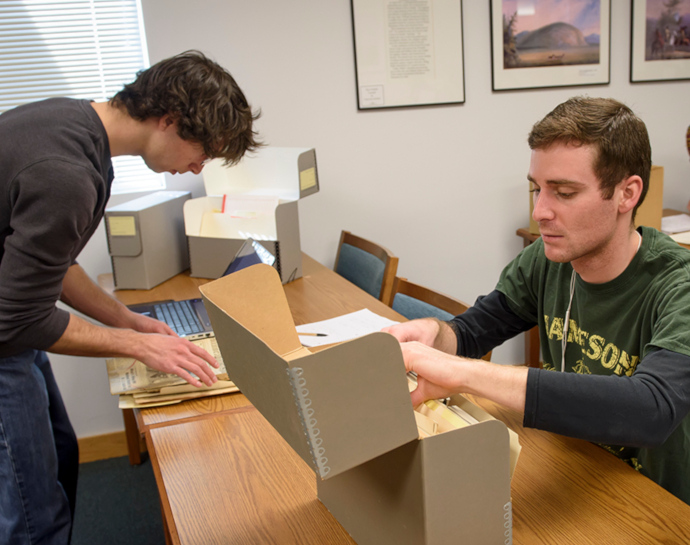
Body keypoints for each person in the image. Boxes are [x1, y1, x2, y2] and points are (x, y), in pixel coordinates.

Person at [0, 50, 260, 544]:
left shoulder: (75, 128)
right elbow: (19, 320)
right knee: (34, 510)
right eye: (202, 151)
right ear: (170, 120)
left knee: (61, 450)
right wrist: (137, 346)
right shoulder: (66, 172)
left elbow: (52, 269)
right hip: (5, 331)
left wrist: (129, 321)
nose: (197, 166)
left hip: (8, 315)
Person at [384, 97, 690, 505]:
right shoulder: (548, 260)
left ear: (626, 194)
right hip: (571, 472)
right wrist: (436, 336)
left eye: (563, 192)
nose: (540, 211)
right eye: (537, 189)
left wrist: (463, 373)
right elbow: (474, 331)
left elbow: (651, 410)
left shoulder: (678, 284)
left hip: (652, 508)